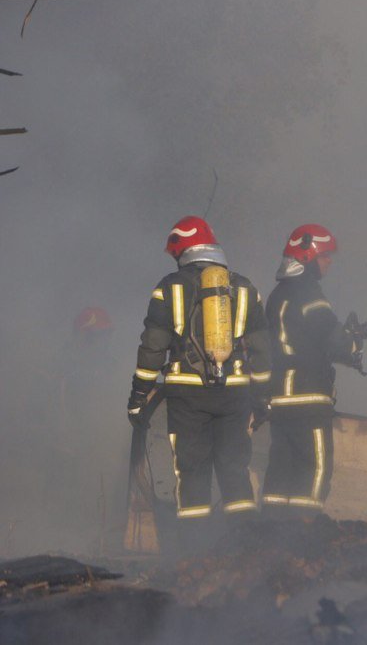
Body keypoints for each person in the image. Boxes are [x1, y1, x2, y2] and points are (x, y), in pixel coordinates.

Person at [126, 216, 271, 546]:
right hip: (236, 395)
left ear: (181, 251)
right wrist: (263, 396)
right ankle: (247, 550)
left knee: (191, 472)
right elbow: (262, 349)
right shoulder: (246, 288)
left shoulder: (169, 287)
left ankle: (194, 552)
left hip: (187, 397)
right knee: (235, 469)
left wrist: (138, 396)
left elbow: (153, 347)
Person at [260, 223, 367, 518]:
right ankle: (303, 533)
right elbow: (334, 340)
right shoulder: (310, 294)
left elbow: (306, 341)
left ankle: (268, 536)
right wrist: (353, 344)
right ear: (307, 256)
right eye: (325, 256)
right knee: (315, 468)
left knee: (281, 468)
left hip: (280, 399)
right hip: (308, 397)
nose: (329, 262)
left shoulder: (279, 295)